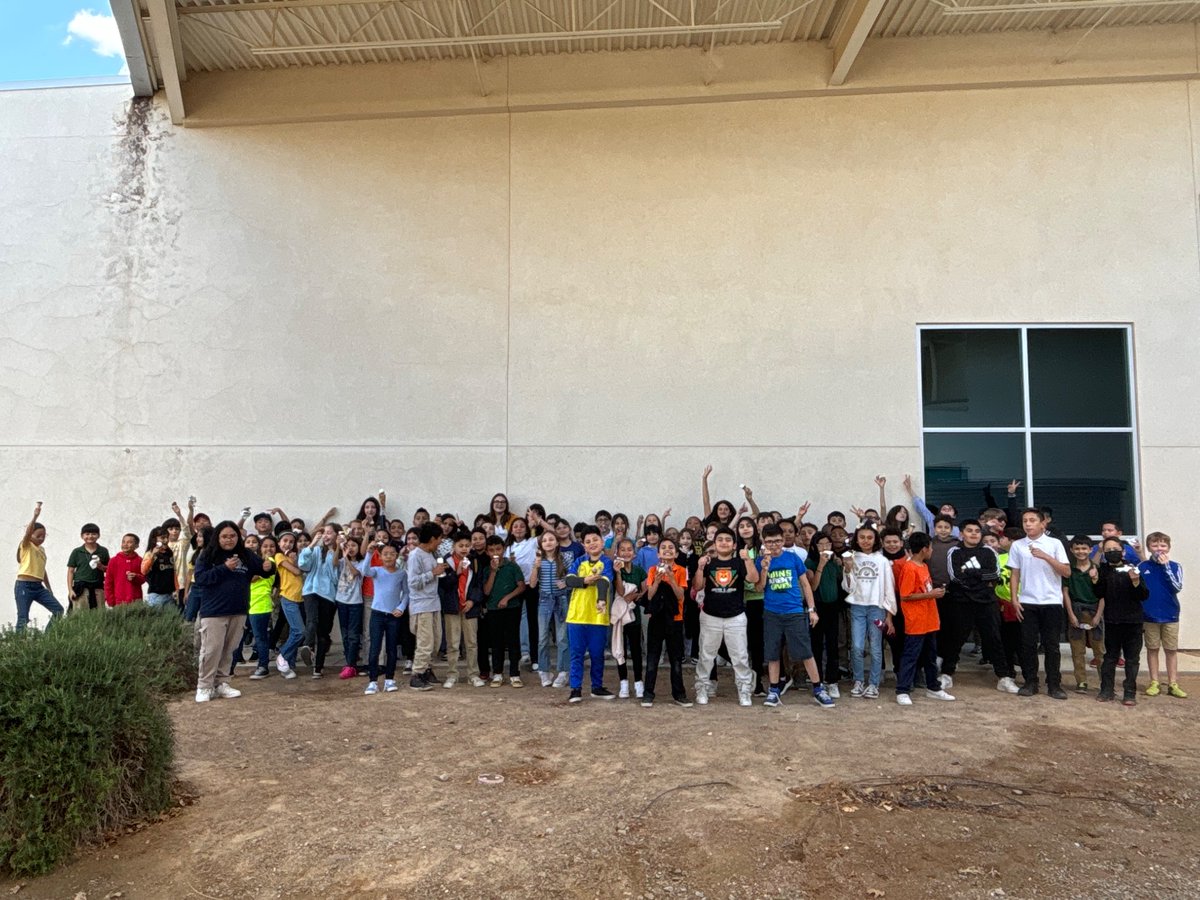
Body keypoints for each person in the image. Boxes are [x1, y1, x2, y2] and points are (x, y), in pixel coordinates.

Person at [192, 521, 275, 703]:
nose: (229, 540)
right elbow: (201, 579)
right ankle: (204, 686)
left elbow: (262, 568)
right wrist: (224, 568)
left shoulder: (246, 555)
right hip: (214, 612)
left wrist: (269, 568)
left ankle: (222, 683)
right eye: (224, 536)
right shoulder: (207, 555)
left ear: (238, 537)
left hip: (238, 610)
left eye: (232, 536)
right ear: (217, 537)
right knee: (211, 650)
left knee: (229, 649)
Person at [759, 524, 834, 709]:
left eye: (777, 541)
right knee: (773, 653)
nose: (774, 545)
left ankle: (818, 689)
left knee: (805, 652)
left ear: (783, 541)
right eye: (769, 542)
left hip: (794, 612)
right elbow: (759, 587)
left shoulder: (792, 558)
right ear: (763, 542)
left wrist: (811, 609)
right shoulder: (761, 561)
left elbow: (806, 585)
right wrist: (764, 569)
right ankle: (774, 690)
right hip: (772, 613)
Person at [941, 519, 1016, 694]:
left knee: (994, 639)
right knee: (955, 639)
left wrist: (972, 575)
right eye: (969, 530)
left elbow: (994, 575)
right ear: (962, 534)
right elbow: (956, 577)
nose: (974, 533)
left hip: (986, 602)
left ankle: (1003, 677)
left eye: (977, 530)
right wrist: (979, 578)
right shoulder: (954, 551)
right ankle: (946, 674)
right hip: (961, 602)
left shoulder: (989, 551)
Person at [1008, 508, 1071, 699]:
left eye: (1032, 520)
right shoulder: (1018, 545)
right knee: (1027, 645)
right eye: (1025, 520)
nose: (1028, 524)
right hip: (1027, 601)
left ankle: (1054, 684)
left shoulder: (1055, 544)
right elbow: (1015, 574)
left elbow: (1066, 572)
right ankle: (1030, 682)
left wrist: (1046, 556)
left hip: (1051, 601)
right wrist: (1014, 599)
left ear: (1043, 523)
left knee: (1051, 645)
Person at [693, 527, 757, 707]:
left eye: (728, 540)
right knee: (706, 655)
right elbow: (697, 586)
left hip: (735, 616)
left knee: (740, 656)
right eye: (719, 539)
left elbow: (753, 579)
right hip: (710, 616)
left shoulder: (740, 562)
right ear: (714, 543)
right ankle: (702, 687)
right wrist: (699, 567)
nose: (723, 542)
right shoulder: (708, 563)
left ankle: (744, 689)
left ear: (734, 545)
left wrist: (748, 560)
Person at [894, 533, 956, 706]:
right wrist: (931, 594)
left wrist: (933, 593)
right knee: (910, 655)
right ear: (924, 549)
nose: (932, 550)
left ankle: (933, 687)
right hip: (916, 620)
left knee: (930, 656)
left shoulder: (923, 566)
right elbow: (905, 596)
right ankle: (902, 689)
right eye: (930, 547)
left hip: (929, 619)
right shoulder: (909, 568)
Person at [841, 525, 896, 701]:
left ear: (875, 539)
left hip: (877, 608)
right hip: (857, 607)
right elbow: (847, 587)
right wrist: (848, 570)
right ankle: (858, 681)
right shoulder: (851, 558)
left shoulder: (882, 561)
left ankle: (873, 683)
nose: (865, 540)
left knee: (875, 646)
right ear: (856, 539)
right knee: (857, 646)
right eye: (862, 537)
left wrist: (889, 614)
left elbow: (889, 587)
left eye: (869, 537)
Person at [1092, 537, 1149, 705]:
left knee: (1132, 659)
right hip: (1112, 621)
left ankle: (1130, 692)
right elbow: (1098, 594)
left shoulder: (1132, 569)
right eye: (1108, 550)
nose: (1112, 553)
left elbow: (1144, 595)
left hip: (1133, 621)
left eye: (1115, 549)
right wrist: (1095, 581)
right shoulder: (1102, 570)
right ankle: (1106, 690)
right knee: (1110, 657)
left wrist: (1135, 581)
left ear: (1123, 551)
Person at [564, 526, 615, 702]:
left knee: (597, 653)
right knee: (576, 654)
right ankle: (575, 688)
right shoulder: (579, 562)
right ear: (583, 545)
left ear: (602, 542)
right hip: (576, 616)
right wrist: (584, 581)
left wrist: (601, 600)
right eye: (588, 541)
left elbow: (604, 582)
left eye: (595, 540)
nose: (592, 543)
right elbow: (569, 580)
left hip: (598, 616)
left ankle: (597, 686)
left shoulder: (607, 562)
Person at [640, 538, 692, 708]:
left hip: (675, 620)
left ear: (676, 553)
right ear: (658, 553)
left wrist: (671, 577)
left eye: (671, 548)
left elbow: (680, 596)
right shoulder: (653, 569)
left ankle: (679, 693)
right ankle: (648, 694)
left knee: (676, 659)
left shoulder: (681, 570)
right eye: (663, 548)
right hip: (656, 619)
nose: (667, 550)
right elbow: (649, 595)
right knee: (653, 657)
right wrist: (656, 579)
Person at [1139, 531, 1186, 699]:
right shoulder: (1143, 567)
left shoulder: (1175, 566)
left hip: (1170, 614)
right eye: (1155, 545)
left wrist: (1166, 567)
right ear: (1149, 547)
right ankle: (1154, 681)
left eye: (1163, 545)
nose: (1159, 548)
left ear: (1169, 548)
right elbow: (1138, 590)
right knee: (1152, 649)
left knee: (1171, 650)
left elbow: (1177, 587)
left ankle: (1173, 683)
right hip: (1149, 615)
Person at [359, 540, 409, 694]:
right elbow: (364, 571)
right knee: (375, 648)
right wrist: (368, 553)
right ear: (380, 556)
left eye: (392, 554)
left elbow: (406, 593)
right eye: (385, 554)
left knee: (391, 648)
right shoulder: (377, 570)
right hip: (377, 614)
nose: (388, 557)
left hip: (393, 616)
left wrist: (401, 607)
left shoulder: (401, 573)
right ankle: (373, 681)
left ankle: (389, 679)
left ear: (397, 556)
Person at [438, 530, 484, 689]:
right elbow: (443, 585)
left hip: (469, 607)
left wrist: (472, 600)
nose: (464, 548)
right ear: (454, 546)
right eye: (461, 545)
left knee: (471, 643)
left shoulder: (475, 561)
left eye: (467, 545)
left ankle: (473, 674)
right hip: (452, 607)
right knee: (453, 643)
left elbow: (478, 584)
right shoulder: (445, 561)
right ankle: (452, 674)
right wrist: (456, 573)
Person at [407, 522, 450, 690]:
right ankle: (417, 674)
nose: (440, 542)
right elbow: (413, 582)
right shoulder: (415, 555)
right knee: (425, 642)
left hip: (434, 603)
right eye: (439, 539)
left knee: (436, 641)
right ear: (432, 538)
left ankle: (427, 669)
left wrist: (439, 570)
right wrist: (433, 573)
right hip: (421, 604)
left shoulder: (431, 554)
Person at [529, 530, 572, 689]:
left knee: (562, 638)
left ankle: (563, 671)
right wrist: (535, 567)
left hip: (562, 600)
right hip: (544, 600)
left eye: (551, 539)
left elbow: (572, 576)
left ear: (557, 542)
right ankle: (544, 670)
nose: (548, 542)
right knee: (542, 638)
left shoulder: (565, 558)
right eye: (545, 540)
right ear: (541, 544)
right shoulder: (538, 560)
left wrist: (566, 582)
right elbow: (532, 584)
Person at [1063, 536, 1105, 692]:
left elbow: (1102, 595)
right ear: (1072, 550)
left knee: (1099, 649)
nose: (1081, 552)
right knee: (1077, 649)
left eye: (1084, 548)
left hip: (1094, 611)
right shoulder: (1069, 570)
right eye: (1077, 549)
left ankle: (1105, 682)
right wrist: (1071, 614)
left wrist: (1098, 615)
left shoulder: (1097, 569)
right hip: (1076, 611)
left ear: (1090, 549)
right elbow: (1065, 593)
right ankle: (1081, 681)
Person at [297, 524, 339, 678]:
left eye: (329, 533)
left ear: (336, 535)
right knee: (312, 620)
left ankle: (318, 667)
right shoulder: (315, 550)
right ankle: (307, 646)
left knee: (323, 632)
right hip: (310, 591)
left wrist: (337, 551)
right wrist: (312, 544)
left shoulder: (338, 553)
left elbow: (336, 577)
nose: (326, 536)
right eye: (324, 533)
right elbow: (303, 564)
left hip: (328, 594)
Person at [15, 502, 63, 632]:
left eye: (44, 536)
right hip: (24, 585)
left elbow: (43, 570)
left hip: (38, 587)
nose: (42, 538)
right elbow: (27, 534)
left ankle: (46, 639)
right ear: (31, 535)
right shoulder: (26, 545)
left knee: (58, 610)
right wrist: (35, 517)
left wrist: (49, 588)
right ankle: (17, 645)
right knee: (23, 618)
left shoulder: (41, 549)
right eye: (38, 535)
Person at [612, 538, 647, 699]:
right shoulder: (614, 570)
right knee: (621, 650)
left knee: (636, 650)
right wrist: (618, 573)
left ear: (634, 553)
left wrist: (634, 596)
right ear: (617, 553)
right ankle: (623, 682)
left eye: (629, 549)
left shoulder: (639, 571)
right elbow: (620, 592)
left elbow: (644, 590)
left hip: (634, 616)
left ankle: (639, 682)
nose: (626, 552)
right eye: (623, 550)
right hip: (619, 616)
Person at [331, 533, 365, 680]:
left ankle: (351, 664)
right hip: (341, 601)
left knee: (353, 635)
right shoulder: (341, 559)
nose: (350, 548)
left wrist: (346, 558)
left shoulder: (362, 562)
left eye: (354, 546)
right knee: (345, 634)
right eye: (348, 545)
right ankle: (349, 662)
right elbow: (334, 563)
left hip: (355, 602)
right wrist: (339, 546)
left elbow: (355, 573)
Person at [272, 536, 305, 680]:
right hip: (288, 598)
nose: (288, 544)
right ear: (279, 543)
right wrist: (294, 559)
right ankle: (283, 655)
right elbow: (298, 572)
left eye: (291, 542)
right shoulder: (279, 556)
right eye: (285, 541)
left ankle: (289, 666)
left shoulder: (294, 557)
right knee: (299, 631)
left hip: (299, 598)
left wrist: (296, 558)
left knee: (294, 631)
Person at [247, 535, 279, 680]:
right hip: (250, 604)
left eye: (271, 546)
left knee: (260, 638)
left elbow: (251, 578)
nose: (268, 549)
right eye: (265, 546)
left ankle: (263, 666)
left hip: (260, 604)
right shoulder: (258, 562)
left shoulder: (269, 562)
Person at [65, 523, 109, 613]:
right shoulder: (77, 552)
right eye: (87, 534)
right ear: (82, 536)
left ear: (98, 535)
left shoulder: (103, 551)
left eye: (93, 534)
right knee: (79, 615)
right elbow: (70, 571)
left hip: (98, 587)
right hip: (81, 587)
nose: (90, 536)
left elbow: (109, 570)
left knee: (99, 614)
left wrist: (101, 566)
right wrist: (70, 590)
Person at [104, 533, 145, 607]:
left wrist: (136, 577)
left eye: (129, 542)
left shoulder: (140, 560)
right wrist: (110, 600)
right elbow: (108, 582)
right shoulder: (114, 561)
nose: (125, 544)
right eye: (123, 542)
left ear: (136, 546)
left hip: (136, 600)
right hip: (119, 601)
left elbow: (144, 578)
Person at [141, 526, 177, 609]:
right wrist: (153, 555)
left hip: (169, 594)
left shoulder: (169, 553)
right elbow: (143, 571)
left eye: (167, 538)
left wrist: (176, 589)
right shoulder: (149, 553)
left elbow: (174, 572)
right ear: (154, 540)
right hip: (156, 595)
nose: (166, 540)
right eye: (162, 538)